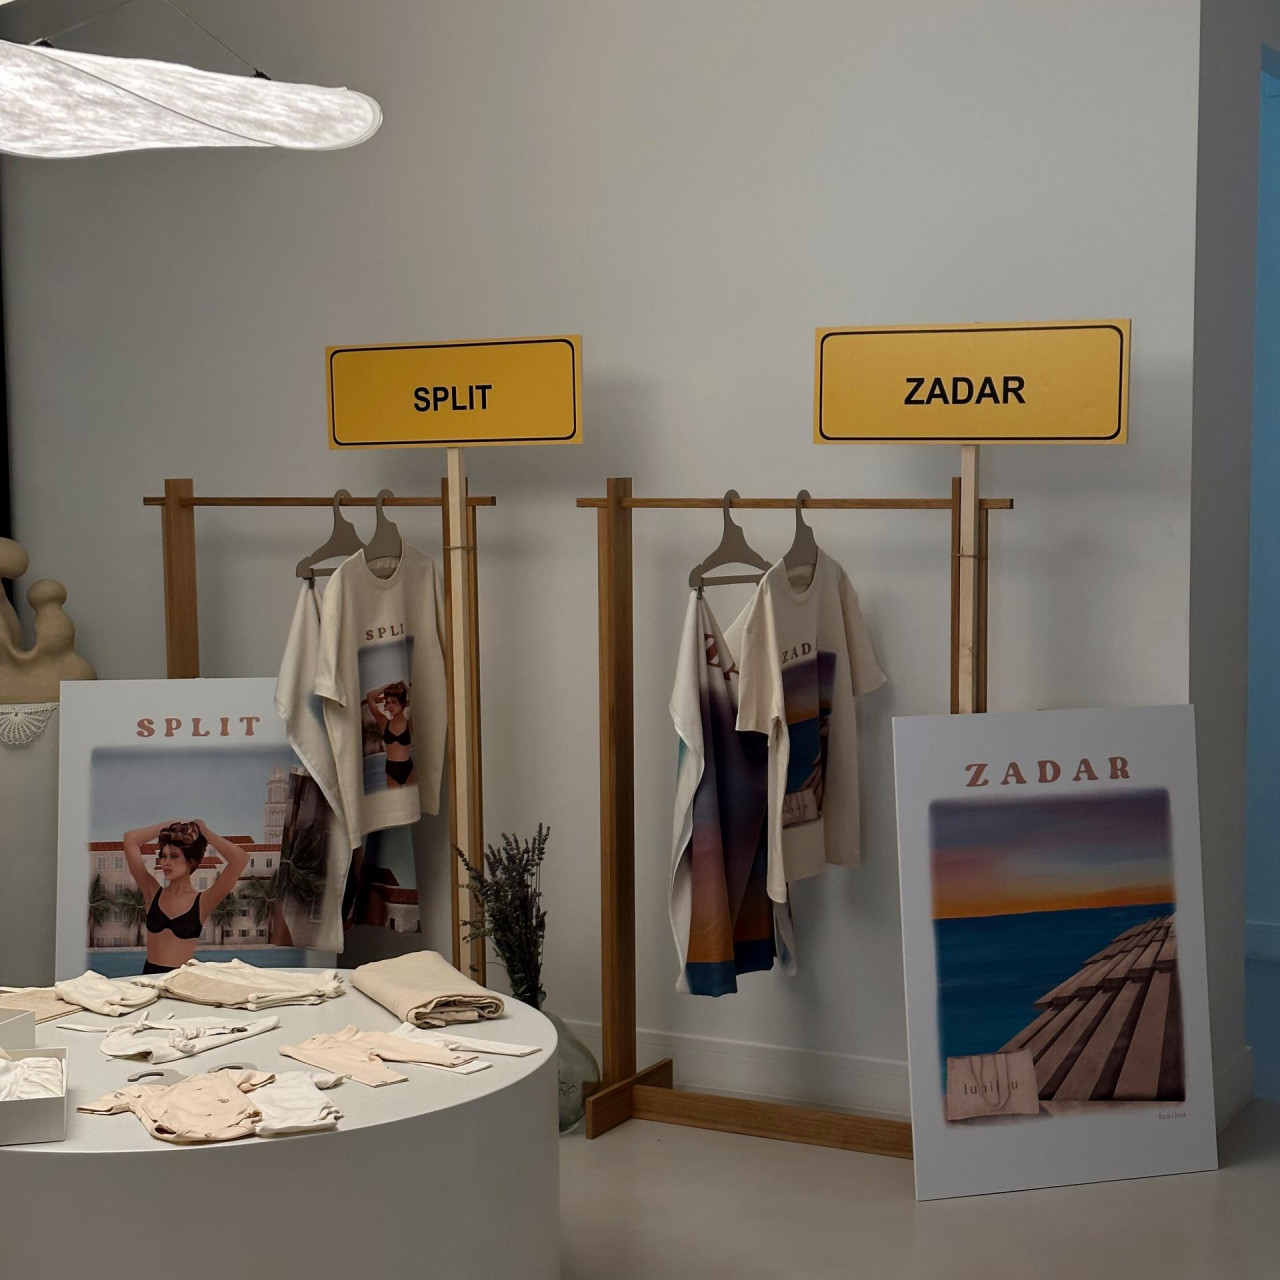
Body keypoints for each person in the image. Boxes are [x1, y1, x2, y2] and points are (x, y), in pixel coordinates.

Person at [121, 819, 249, 974]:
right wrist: (170, 825)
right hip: (149, 979)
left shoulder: (203, 902)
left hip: (181, 981)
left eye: (174, 856)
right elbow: (130, 839)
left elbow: (240, 859)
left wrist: (204, 830)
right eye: (163, 856)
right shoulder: (152, 892)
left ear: (191, 861)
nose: (165, 863)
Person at [364, 680, 416, 789]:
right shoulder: (384, 722)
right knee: (394, 799)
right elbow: (370, 697)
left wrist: (404, 687)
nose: (390, 706)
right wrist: (389, 686)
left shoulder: (409, 723)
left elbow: (417, 702)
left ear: (402, 703)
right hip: (391, 769)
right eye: (388, 702)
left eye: (393, 702)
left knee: (410, 798)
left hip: (408, 767)